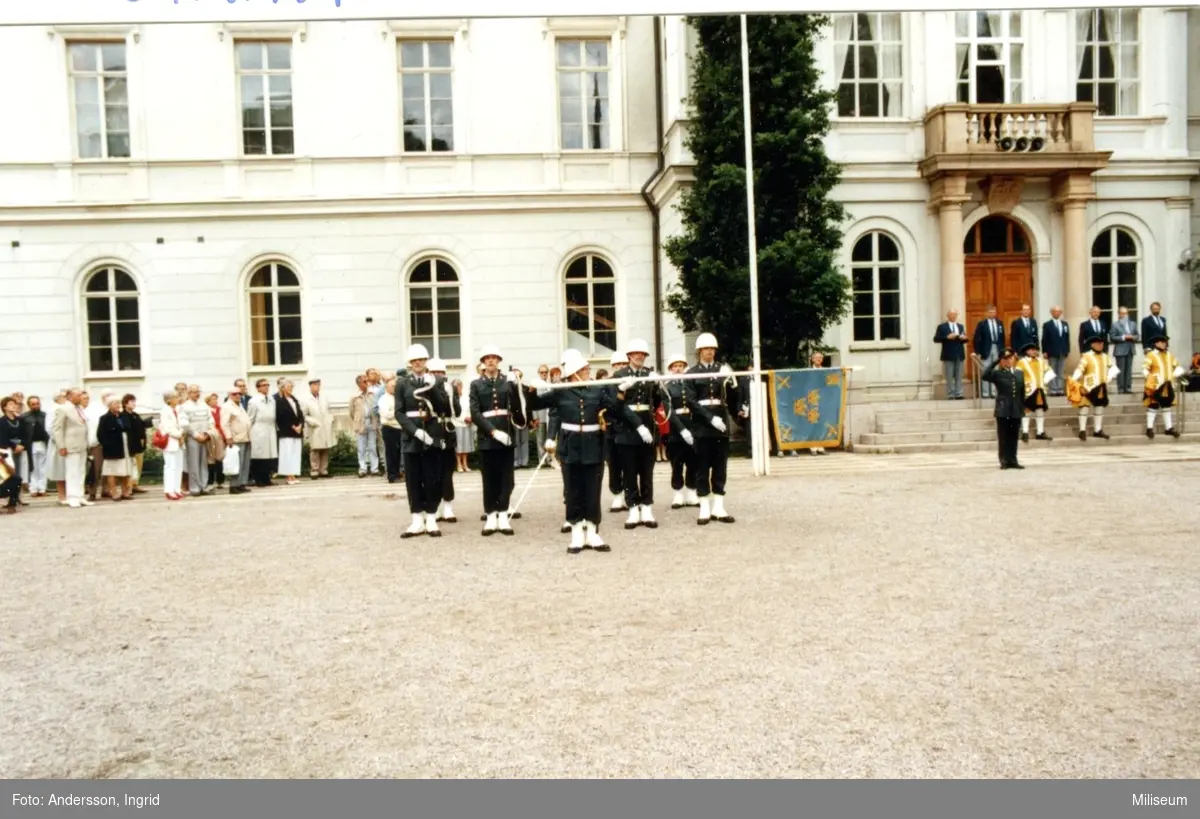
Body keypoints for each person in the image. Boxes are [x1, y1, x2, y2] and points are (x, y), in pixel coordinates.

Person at [525, 349, 623, 553]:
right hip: (570, 446)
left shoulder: (597, 390)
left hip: (593, 445)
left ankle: (593, 533)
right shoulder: (561, 391)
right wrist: (531, 389)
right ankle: (577, 533)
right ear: (574, 372)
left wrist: (620, 392)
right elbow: (535, 404)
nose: (589, 371)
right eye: (585, 369)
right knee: (573, 490)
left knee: (592, 489)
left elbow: (615, 410)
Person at [396, 344, 451, 539]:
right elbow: (399, 412)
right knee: (413, 479)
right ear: (410, 364)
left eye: (421, 360)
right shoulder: (402, 383)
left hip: (432, 434)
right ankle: (416, 519)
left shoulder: (436, 380)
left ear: (426, 362)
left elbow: (443, 408)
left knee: (432, 478)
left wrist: (433, 386)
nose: (418, 363)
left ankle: (431, 518)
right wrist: (415, 432)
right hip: (412, 437)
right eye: (414, 360)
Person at [683, 332, 739, 525]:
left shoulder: (722, 368)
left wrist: (731, 383)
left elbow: (732, 396)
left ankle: (719, 506)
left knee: (720, 466)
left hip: (721, 423)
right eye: (706, 349)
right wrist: (709, 418)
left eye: (712, 349)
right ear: (699, 351)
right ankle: (704, 507)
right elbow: (690, 401)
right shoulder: (691, 373)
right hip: (702, 425)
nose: (710, 352)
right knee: (702, 466)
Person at [470, 344, 523, 536]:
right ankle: (491, 516)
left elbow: (519, 407)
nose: (491, 361)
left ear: (499, 361)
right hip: (487, 437)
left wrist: (516, 385)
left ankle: (503, 515)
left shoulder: (507, 382)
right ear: (483, 363)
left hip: (507, 435)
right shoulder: (476, 384)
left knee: (506, 478)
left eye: (494, 357)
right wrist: (493, 431)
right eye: (487, 358)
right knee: (489, 479)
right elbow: (475, 413)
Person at [611, 338, 661, 529]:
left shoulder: (649, 374)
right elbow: (617, 405)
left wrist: (656, 386)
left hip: (647, 426)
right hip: (627, 429)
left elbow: (655, 403)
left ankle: (647, 507)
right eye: (636, 353)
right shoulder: (620, 374)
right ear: (629, 356)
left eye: (643, 354)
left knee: (646, 470)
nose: (640, 356)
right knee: (629, 471)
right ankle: (633, 508)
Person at [662, 352, 698, 509]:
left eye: (681, 366)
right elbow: (669, 410)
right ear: (670, 369)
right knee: (677, 462)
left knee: (692, 461)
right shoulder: (667, 387)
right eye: (675, 366)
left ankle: (691, 491)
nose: (678, 369)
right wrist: (682, 430)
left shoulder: (691, 384)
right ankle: (677, 492)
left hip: (691, 424)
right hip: (676, 429)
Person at [427, 358, 461, 524]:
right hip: (432, 431)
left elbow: (457, 411)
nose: (438, 376)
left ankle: (448, 506)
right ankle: (435, 506)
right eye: (435, 373)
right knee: (433, 473)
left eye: (441, 373)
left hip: (447, 431)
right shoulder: (425, 388)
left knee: (447, 471)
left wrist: (452, 395)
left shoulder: (450, 388)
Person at [982, 348, 1025, 470]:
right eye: (1005, 359)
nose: (1008, 361)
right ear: (1002, 361)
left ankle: (1013, 459)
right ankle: (1004, 460)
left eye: (1010, 358)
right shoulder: (997, 374)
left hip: (1016, 408)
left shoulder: (1019, 373)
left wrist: (1022, 407)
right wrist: (995, 362)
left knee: (1014, 435)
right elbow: (984, 375)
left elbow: (1022, 392)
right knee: (1003, 436)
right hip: (1003, 408)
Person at [1069, 333, 1115, 441]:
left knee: (1099, 407)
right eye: (1098, 343)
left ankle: (1097, 430)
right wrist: (1074, 378)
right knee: (1084, 408)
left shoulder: (1105, 356)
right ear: (1092, 345)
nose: (1100, 345)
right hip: (1088, 386)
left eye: (1101, 343)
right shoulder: (1086, 356)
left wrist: (1109, 377)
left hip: (1101, 386)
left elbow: (1113, 368)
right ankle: (1082, 430)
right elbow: (1080, 369)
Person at [53, 388, 91, 508]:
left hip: (82, 444)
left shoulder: (80, 409)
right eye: (78, 395)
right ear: (70, 396)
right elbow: (57, 428)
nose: (80, 397)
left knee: (81, 471)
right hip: (70, 445)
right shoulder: (63, 408)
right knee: (72, 471)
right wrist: (61, 446)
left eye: (81, 395)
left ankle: (80, 496)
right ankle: (72, 497)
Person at [1142, 333, 1183, 439]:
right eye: (1162, 342)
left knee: (1166, 405)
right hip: (1155, 384)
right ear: (1156, 343)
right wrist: (1149, 378)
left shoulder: (1170, 355)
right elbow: (1145, 368)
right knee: (1153, 405)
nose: (1164, 344)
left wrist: (1175, 374)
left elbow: (1177, 366)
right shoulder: (1151, 355)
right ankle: (1149, 428)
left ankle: (1169, 428)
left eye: (1165, 342)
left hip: (1167, 384)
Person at [96, 397, 135, 501]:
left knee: (125, 471)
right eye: (114, 404)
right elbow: (100, 435)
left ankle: (125, 492)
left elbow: (130, 430)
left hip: (125, 447)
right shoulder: (104, 418)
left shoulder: (124, 416)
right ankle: (114, 493)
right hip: (112, 449)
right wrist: (108, 445)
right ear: (109, 406)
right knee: (112, 471)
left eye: (118, 403)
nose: (117, 405)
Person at [1015, 343, 1053, 443]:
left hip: (1040, 389)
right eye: (1032, 350)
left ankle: (1040, 432)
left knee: (1040, 410)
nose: (1034, 351)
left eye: (1036, 350)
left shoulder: (1041, 361)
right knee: (1027, 411)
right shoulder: (1022, 362)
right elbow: (1018, 376)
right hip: (1028, 390)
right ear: (1027, 351)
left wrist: (1044, 381)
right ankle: (1025, 432)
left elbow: (1049, 372)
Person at [220, 387, 253, 495]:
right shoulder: (227, 406)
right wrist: (228, 437)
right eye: (235, 394)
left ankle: (241, 484)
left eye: (239, 393)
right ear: (230, 395)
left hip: (245, 436)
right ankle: (234, 485)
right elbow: (224, 424)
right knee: (236, 462)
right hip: (236, 437)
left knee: (244, 462)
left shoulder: (240, 405)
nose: (238, 395)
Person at [158, 390, 188, 500]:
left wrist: (182, 433)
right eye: (175, 397)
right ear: (168, 400)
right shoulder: (165, 411)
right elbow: (168, 428)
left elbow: (184, 422)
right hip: (170, 441)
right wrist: (179, 435)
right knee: (170, 466)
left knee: (179, 466)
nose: (178, 398)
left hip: (179, 440)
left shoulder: (179, 409)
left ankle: (177, 489)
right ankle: (169, 490)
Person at [247, 378, 278, 487]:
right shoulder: (253, 401)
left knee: (269, 456)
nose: (266, 387)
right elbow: (250, 418)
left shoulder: (271, 399)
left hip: (270, 428)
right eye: (263, 385)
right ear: (258, 388)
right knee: (259, 456)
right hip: (258, 429)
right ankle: (258, 479)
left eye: (267, 385)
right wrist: (248, 432)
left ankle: (267, 478)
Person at [303, 377, 335, 479]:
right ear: (311, 386)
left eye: (318, 385)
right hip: (315, 427)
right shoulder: (306, 399)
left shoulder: (324, 397)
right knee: (315, 449)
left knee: (325, 448)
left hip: (325, 425)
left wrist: (330, 418)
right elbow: (303, 415)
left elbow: (328, 410)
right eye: (315, 385)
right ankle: (314, 470)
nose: (317, 387)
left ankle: (323, 469)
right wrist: (312, 421)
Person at [972, 305, 1005, 399]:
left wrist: (1002, 351)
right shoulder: (982, 324)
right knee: (986, 370)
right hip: (986, 350)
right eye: (990, 312)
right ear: (986, 313)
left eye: (994, 311)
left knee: (995, 370)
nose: (992, 313)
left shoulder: (999, 323)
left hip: (997, 349)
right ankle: (985, 393)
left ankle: (994, 392)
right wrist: (978, 351)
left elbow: (1002, 338)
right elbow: (977, 338)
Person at [275, 379, 304, 485]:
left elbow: (300, 413)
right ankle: (288, 476)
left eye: (292, 386)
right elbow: (281, 416)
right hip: (286, 431)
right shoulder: (278, 400)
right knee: (287, 453)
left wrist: (300, 424)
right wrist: (293, 426)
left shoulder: (294, 399)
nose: (291, 388)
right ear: (282, 388)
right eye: (289, 386)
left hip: (297, 431)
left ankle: (294, 474)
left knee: (295, 453)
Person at [20, 395, 49, 498]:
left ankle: (42, 488)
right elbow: (22, 432)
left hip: (43, 443)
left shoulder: (45, 415)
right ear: (29, 405)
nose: (36, 405)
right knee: (32, 467)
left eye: (37, 403)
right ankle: (33, 489)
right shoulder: (24, 417)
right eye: (33, 404)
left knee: (43, 467)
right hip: (31, 444)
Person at [933, 310, 967, 400]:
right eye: (951, 315)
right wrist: (947, 337)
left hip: (959, 353)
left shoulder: (960, 326)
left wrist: (964, 338)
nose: (953, 316)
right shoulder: (942, 327)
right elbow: (936, 339)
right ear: (947, 316)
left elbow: (964, 339)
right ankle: (950, 394)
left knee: (959, 375)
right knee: (949, 375)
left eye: (955, 315)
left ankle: (959, 393)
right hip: (948, 353)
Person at [1108, 306, 1140, 394]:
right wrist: (1123, 337)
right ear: (1118, 314)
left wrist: (1132, 337)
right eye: (1122, 313)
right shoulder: (1115, 324)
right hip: (1120, 350)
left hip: (1130, 349)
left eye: (1125, 313)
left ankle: (1128, 388)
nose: (1123, 315)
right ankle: (1121, 389)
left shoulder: (1133, 324)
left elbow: (1137, 336)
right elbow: (1112, 337)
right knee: (1121, 370)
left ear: (1128, 314)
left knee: (1129, 370)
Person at [1041, 306, 1071, 397]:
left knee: (1060, 371)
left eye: (1059, 311)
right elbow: (1044, 339)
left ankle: (1060, 388)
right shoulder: (1047, 325)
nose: (1057, 313)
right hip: (1051, 351)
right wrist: (1044, 351)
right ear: (1052, 313)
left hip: (1062, 351)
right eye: (1055, 311)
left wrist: (1067, 350)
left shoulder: (1065, 324)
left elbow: (1067, 338)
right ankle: (1053, 389)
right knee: (1052, 370)